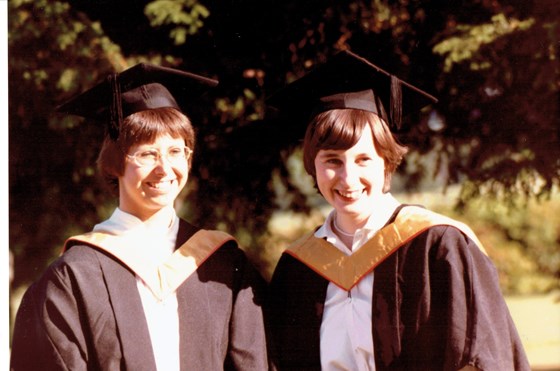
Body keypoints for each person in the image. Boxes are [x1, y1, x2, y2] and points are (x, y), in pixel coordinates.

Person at [265, 50, 530, 371]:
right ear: (313, 167)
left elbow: (482, 358)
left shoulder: (438, 246)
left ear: (386, 162)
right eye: (332, 160)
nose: (348, 178)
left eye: (364, 159)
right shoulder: (298, 269)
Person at [10, 63, 269, 370]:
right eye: (147, 154)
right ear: (115, 163)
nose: (164, 169)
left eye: (176, 151)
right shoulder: (75, 276)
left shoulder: (223, 265)